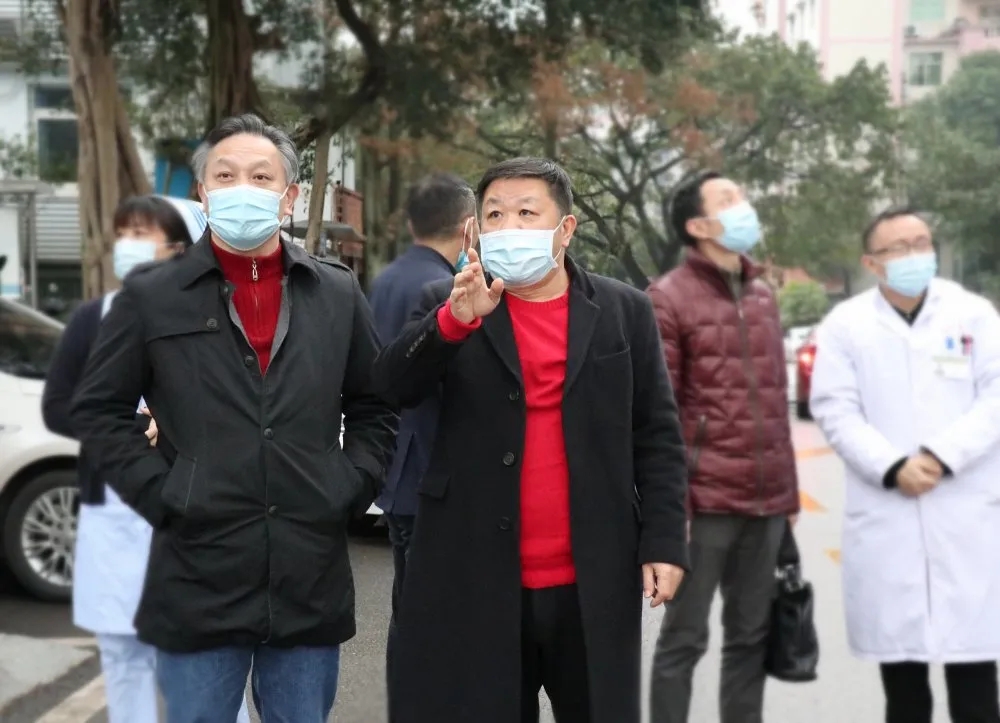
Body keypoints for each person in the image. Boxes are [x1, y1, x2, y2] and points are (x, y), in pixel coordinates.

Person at [70, 113, 398, 723]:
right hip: (197, 574)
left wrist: (350, 485)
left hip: (308, 576)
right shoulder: (154, 295)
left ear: (289, 195)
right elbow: (99, 409)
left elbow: (374, 406)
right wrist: (164, 491)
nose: (242, 187)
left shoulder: (335, 292)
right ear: (203, 191)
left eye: (260, 176)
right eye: (225, 175)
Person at [371, 157, 689, 723]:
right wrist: (453, 322)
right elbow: (391, 387)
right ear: (476, 229)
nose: (509, 226)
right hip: (476, 575)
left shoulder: (624, 311)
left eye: (526, 213)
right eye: (495, 214)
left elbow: (657, 434)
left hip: (593, 577)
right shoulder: (448, 301)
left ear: (564, 229)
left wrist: (664, 540)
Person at [44, 195, 252, 723]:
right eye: (124, 234)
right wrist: (134, 427)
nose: (129, 246)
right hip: (113, 507)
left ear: (181, 248)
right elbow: (61, 405)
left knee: (210, 653)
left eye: (143, 234)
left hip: (198, 507)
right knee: (124, 653)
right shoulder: (94, 318)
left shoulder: (221, 316)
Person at [810, 207, 1000, 723]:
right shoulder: (846, 325)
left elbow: (995, 397)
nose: (915, 255)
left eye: (922, 243)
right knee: (905, 691)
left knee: (977, 686)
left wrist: (941, 456)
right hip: (889, 513)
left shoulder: (973, 313)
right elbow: (834, 407)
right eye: (899, 248)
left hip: (966, 513)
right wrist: (893, 466)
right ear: (871, 263)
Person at [646, 171, 799, 723]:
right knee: (683, 641)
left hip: (765, 505)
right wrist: (670, 512)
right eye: (729, 200)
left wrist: (788, 497)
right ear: (699, 226)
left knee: (750, 638)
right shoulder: (667, 299)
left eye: (742, 196)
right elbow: (658, 416)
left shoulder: (762, 296)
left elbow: (775, 405)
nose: (744, 207)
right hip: (702, 505)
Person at [366, 171, 477, 713]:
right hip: (430, 467)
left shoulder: (386, 279)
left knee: (407, 607)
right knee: (427, 614)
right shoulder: (442, 289)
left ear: (412, 224)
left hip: (396, 466)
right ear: (468, 227)